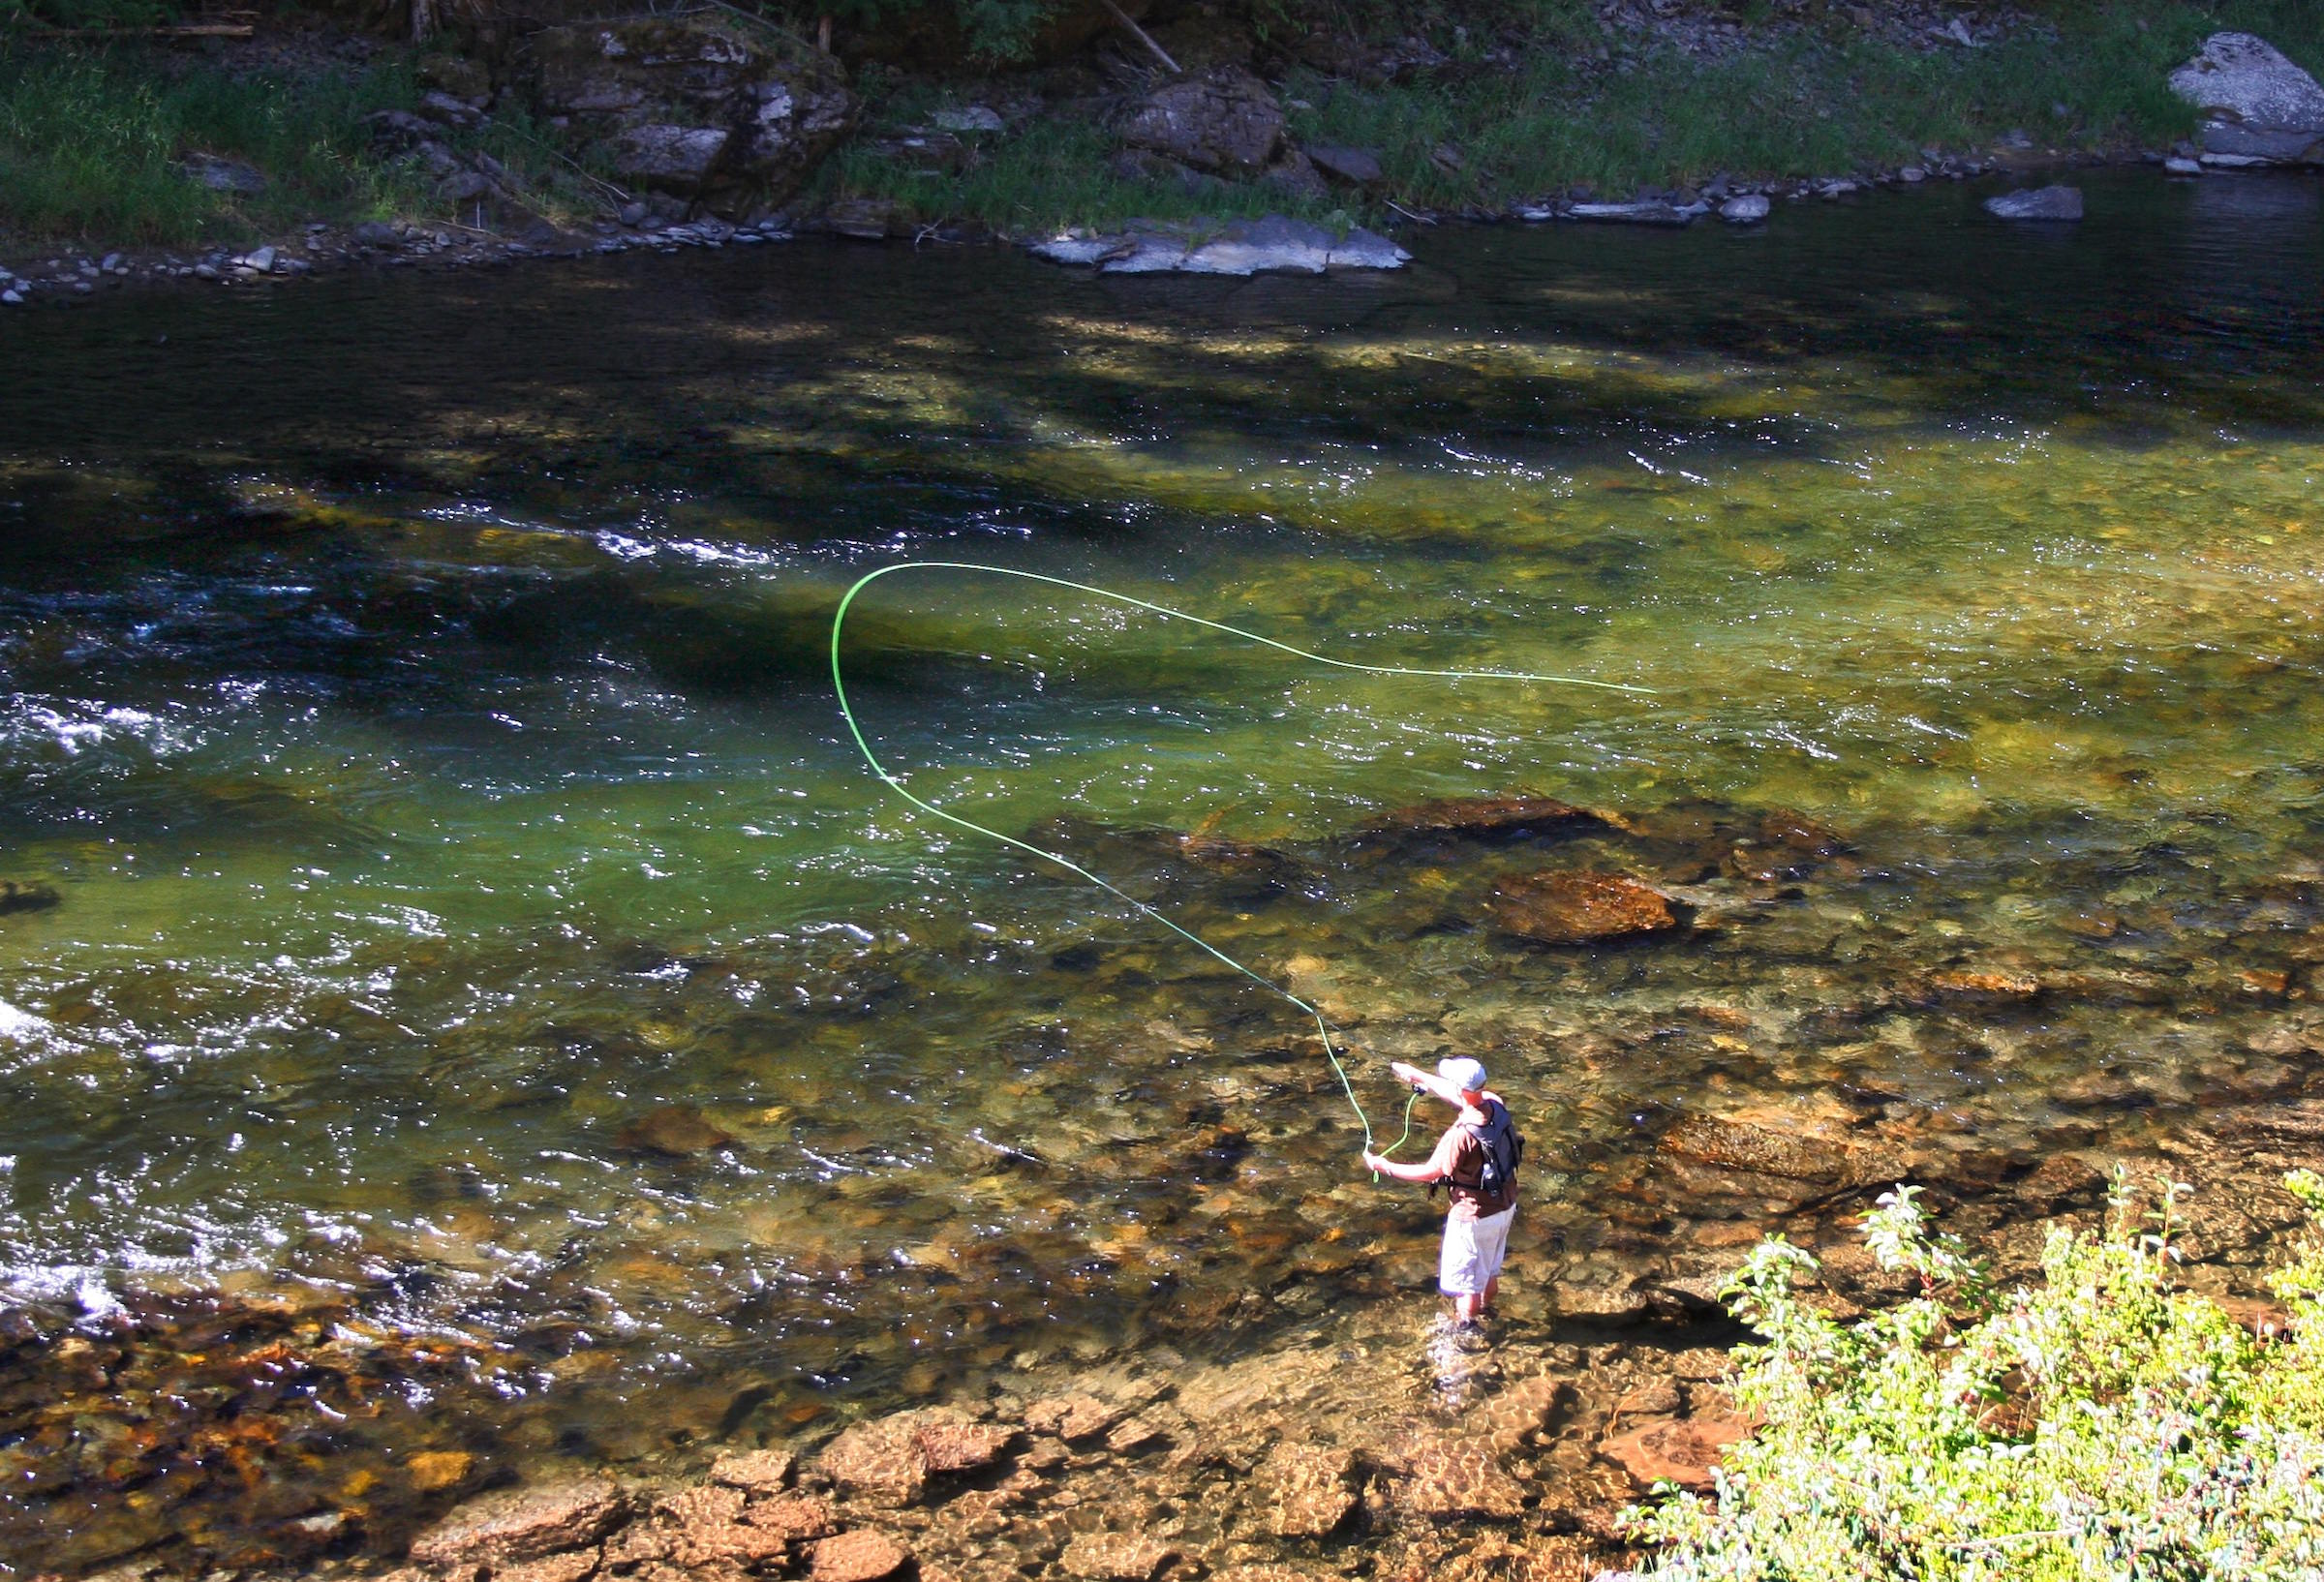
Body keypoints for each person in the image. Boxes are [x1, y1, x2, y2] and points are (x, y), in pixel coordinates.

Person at [1361, 1056, 1520, 1324]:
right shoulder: (1495, 1104)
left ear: (1459, 1089)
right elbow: (1459, 1093)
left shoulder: (1461, 1135)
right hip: (1505, 1205)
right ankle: (1487, 1312)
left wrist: (1384, 1165)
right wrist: (1417, 1075)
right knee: (1489, 1271)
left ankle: (1466, 1332)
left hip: (1474, 1216)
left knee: (1468, 1283)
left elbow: (1432, 1172)